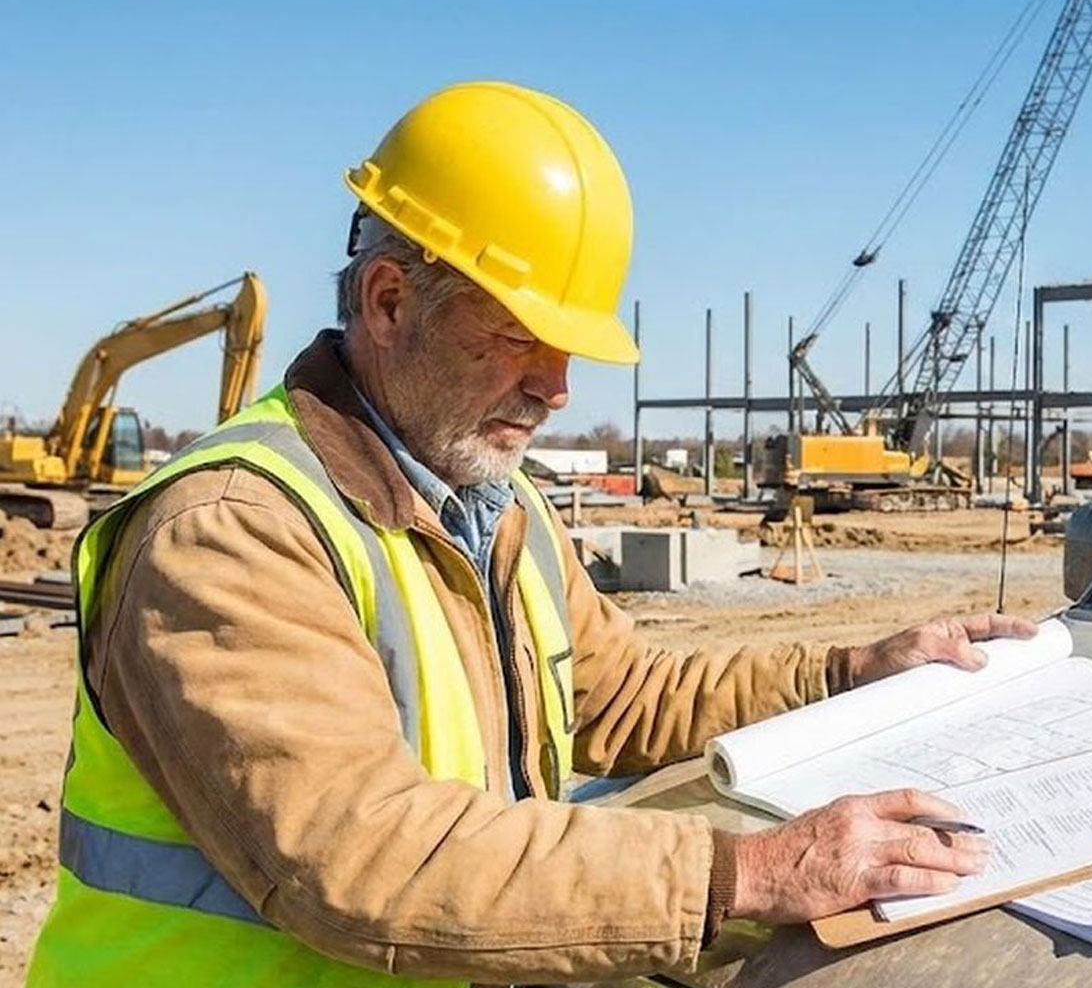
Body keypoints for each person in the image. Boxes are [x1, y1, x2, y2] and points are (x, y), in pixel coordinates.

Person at [27, 81, 1036, 987]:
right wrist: (756, 872)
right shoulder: (229, 534)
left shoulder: (498, 507)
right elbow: (368, 859)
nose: (556, 389)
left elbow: (627, 696)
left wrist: (851, 670)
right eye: (520, 336)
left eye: (569, 348)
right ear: (389, 301)